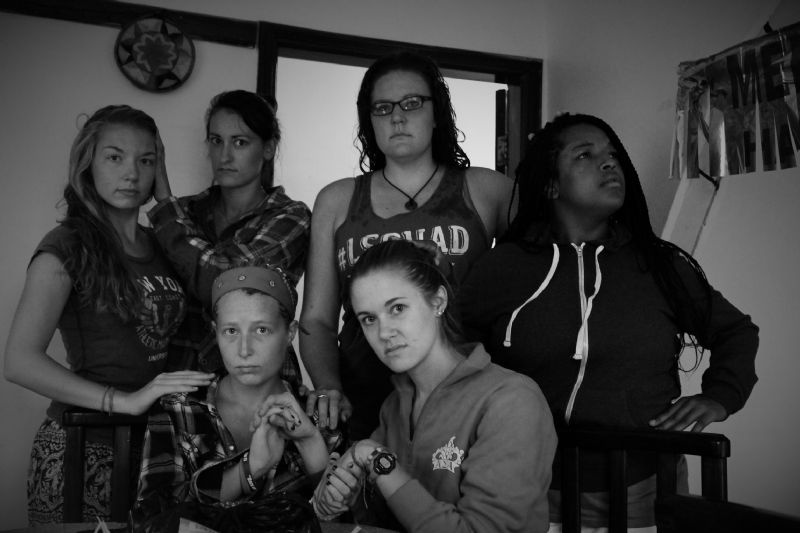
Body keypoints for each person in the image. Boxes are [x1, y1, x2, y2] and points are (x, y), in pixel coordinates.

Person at [458, 113, 759, 530]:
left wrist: (721, 394)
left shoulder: (658, 265)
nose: (608, 162)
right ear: (551, 184)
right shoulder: (504, 267)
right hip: (527, 488)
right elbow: (455, 352)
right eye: (585, 154)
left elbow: (735, 331)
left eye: (613, 155)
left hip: (643, 489)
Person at [3, 105, 214, 525]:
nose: (131, 174)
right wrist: (124, 401)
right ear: (89, 164)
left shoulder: (161, 244)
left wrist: (166, 198)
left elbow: (216, 290)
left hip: (155, 448)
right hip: (82, 445)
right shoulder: (67, 245)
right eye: (114, 157)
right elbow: (18, 361)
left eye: (146, 161)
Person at [300, 51, 515, 439]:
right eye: (383, 108)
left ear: (437, 113)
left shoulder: (488, 190)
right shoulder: (336, 200)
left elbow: (540, 278)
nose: (397, 117)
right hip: (363, 401)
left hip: (465, 400)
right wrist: (328, 386)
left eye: (412, 103)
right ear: (370, 120)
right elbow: (317, 319)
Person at [311, 240, 556, 532]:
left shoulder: (512, 401)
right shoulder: (394, 407)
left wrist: (378, 461)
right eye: (369, 319)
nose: (384, 332)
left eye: (398, 308)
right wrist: (341, 496)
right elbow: (381, 518)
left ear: (438, 301)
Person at [133, 265, 340, 528]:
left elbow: (341, 521)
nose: (244, 350)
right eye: (231, 331)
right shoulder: (177, 408)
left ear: (290, 333)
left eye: (261, 330)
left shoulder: (320, 416)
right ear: (215, 331)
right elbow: (151, 520)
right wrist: (249, 470)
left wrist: (311, 445)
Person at [148, 90, 311, 382]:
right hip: (182, 383)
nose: (224, 156)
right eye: (216, 140)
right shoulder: (184, 212)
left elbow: (225, 285)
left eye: (240, 142)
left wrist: (164, 203)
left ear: (268, 148)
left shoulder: (291, 217)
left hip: (259, 389)